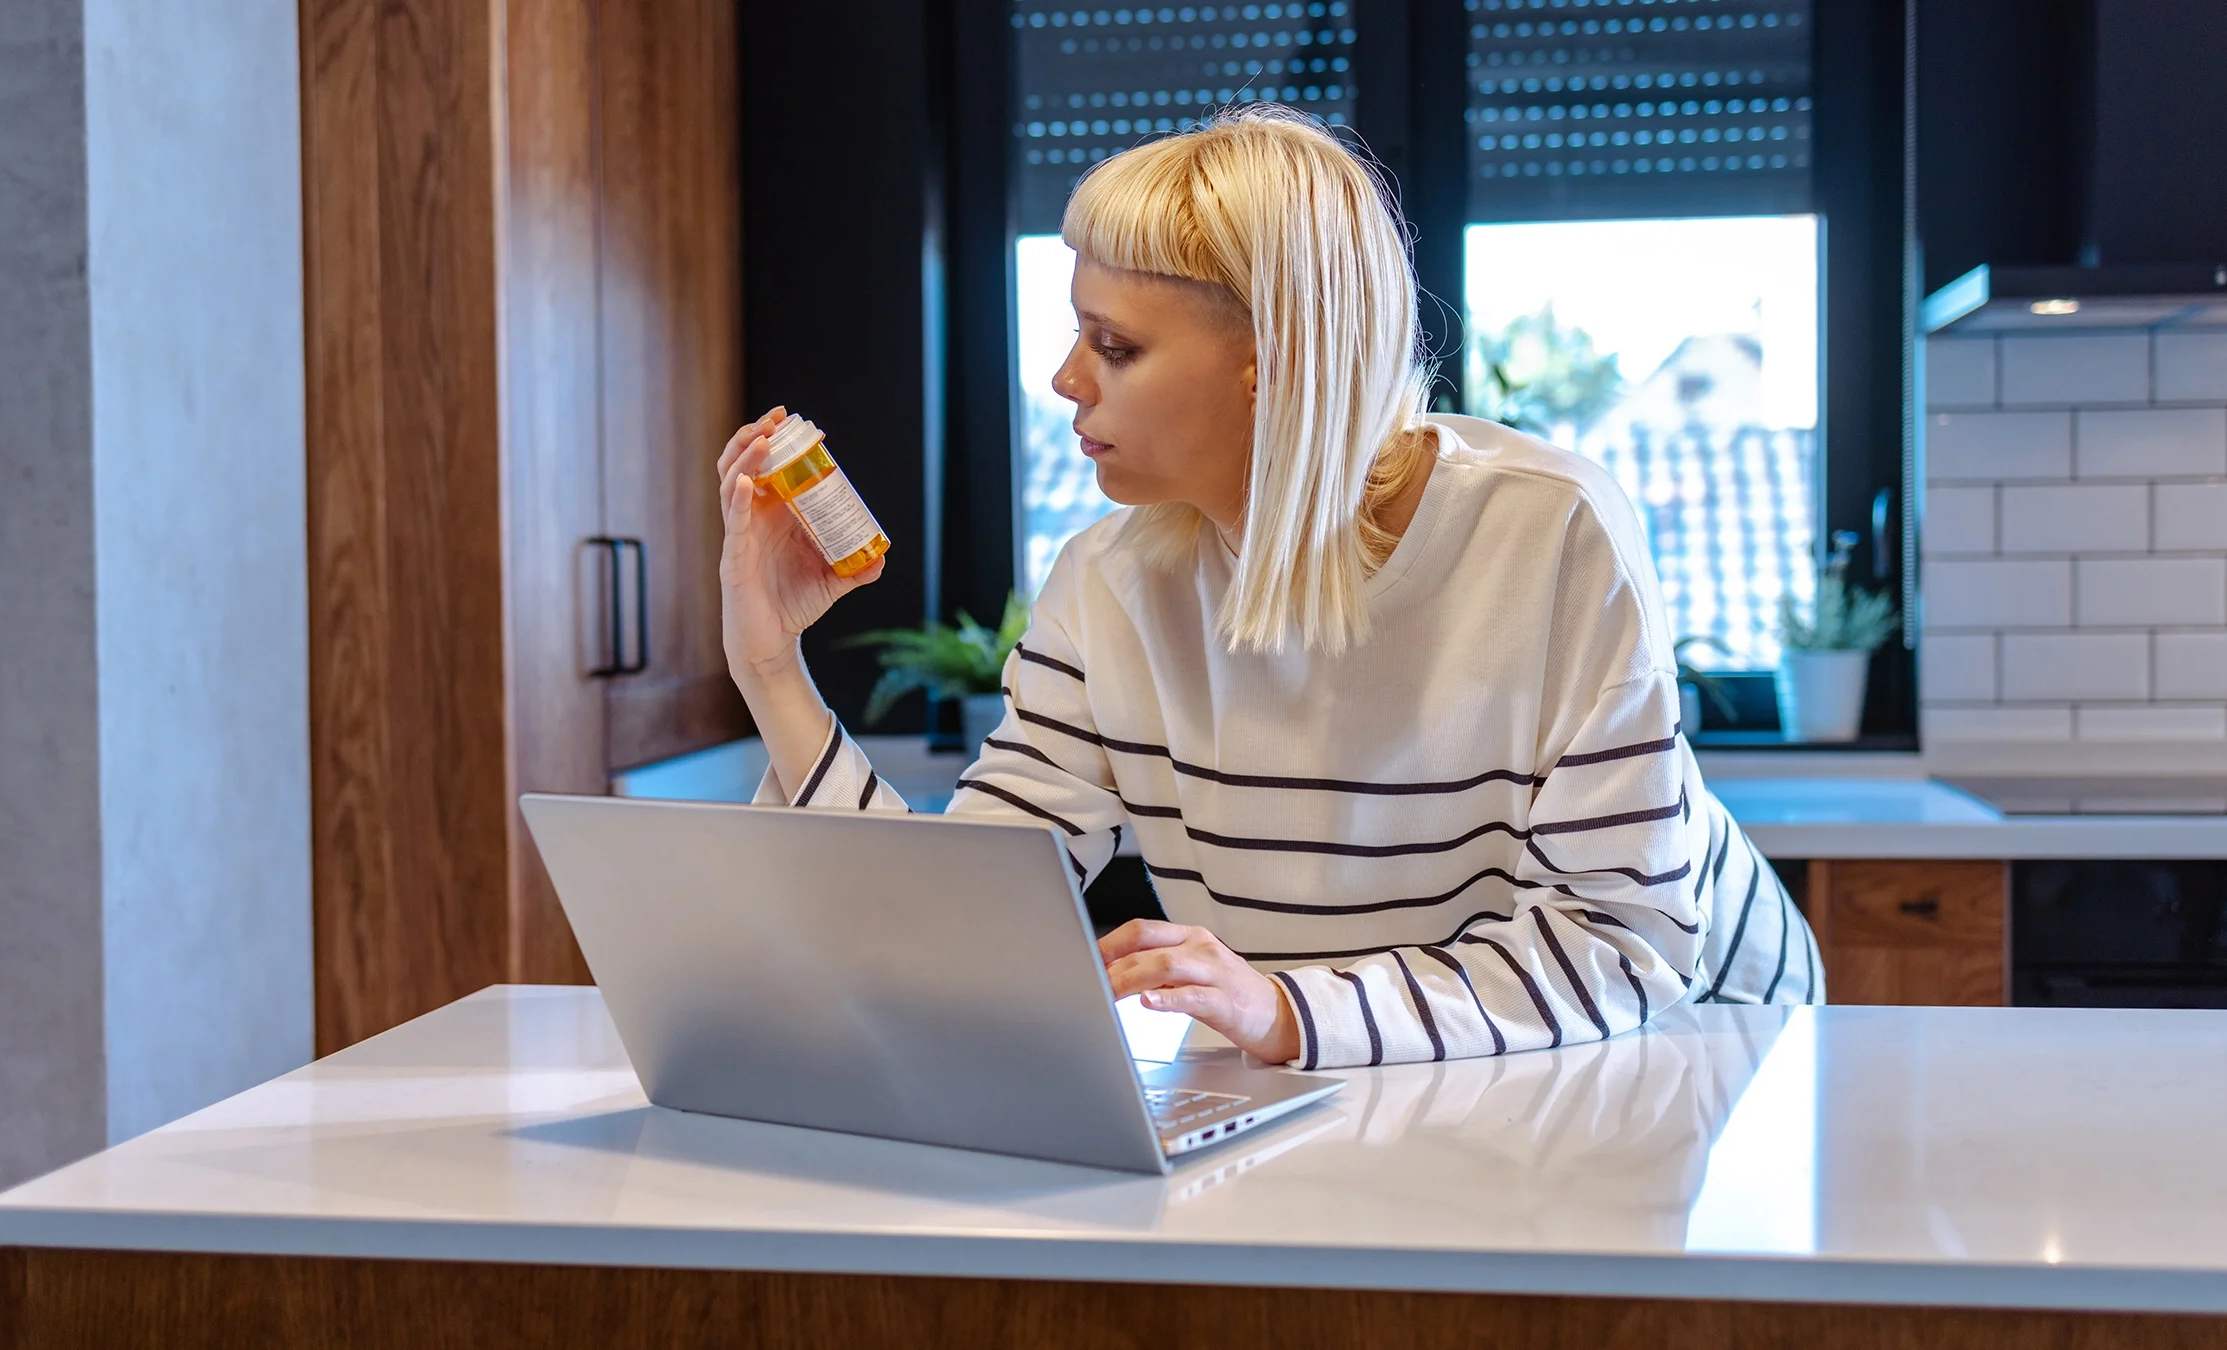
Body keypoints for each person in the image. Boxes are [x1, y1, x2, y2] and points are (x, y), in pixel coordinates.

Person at [716, 106, 1820, 1072]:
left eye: (1115, 345)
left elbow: (1618, 946)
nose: (1064, 378)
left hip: (1714, 1037)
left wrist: (1285, 1010)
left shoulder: (1550, 532)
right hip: (1391, 1055)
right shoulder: (1106, 582)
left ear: (1275, 358)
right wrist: (771, 666)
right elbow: (952, 922)